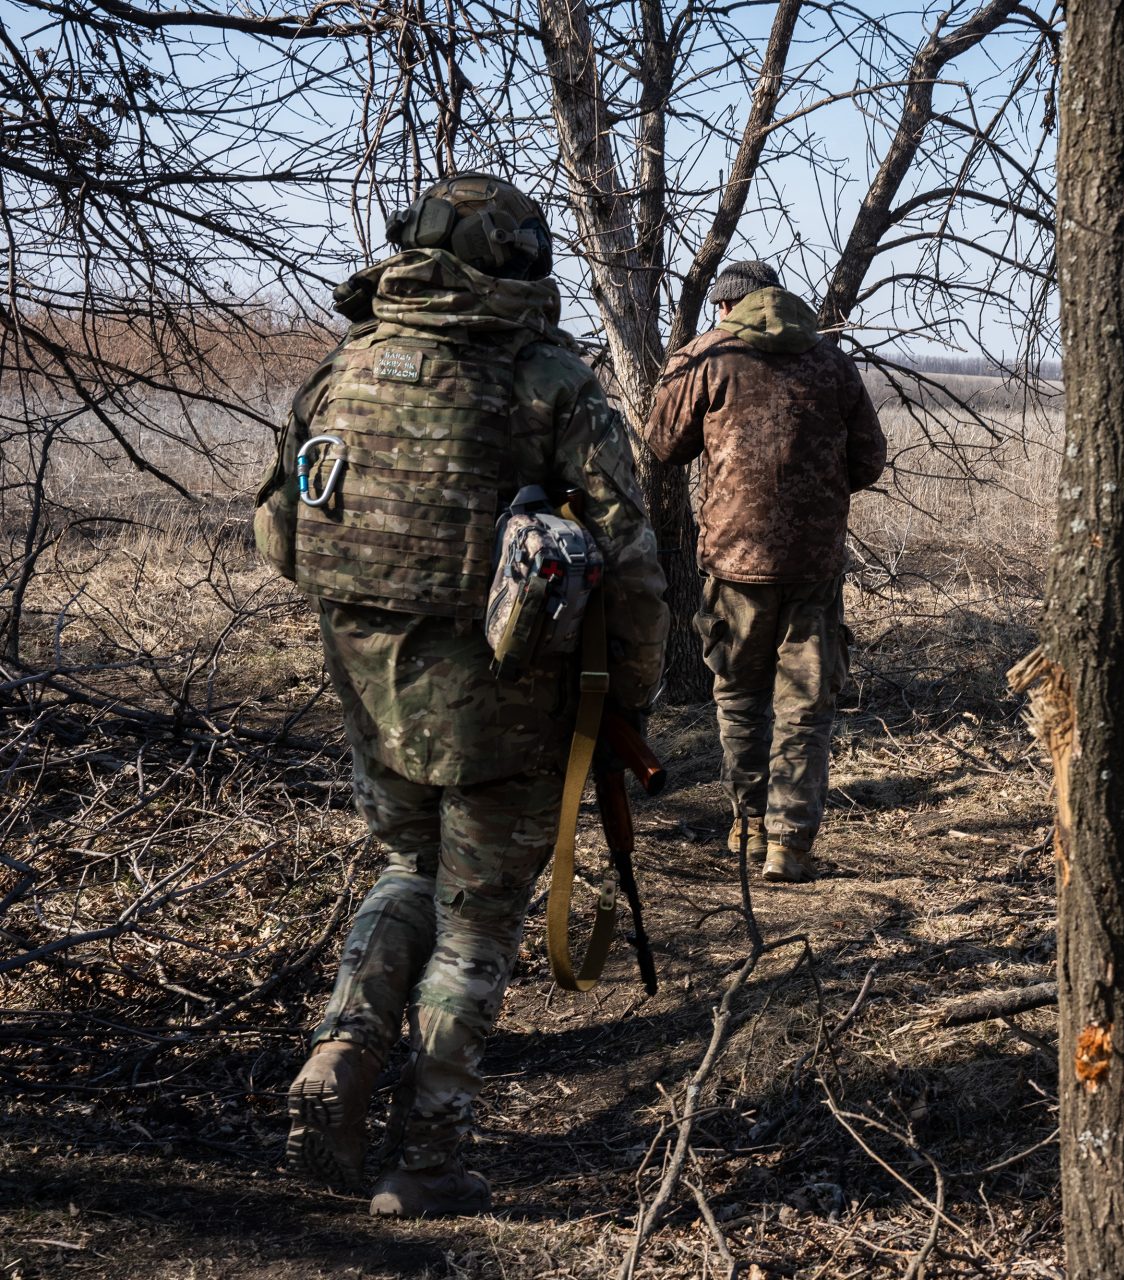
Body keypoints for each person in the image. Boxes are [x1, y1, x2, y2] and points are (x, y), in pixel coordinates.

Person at [253, 173, 670, 1217]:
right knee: (477, 916)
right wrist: (635, 695)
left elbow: (279, 534)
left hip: (371, 686)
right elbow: (636, 560)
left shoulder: (341, 369)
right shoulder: (547, 379)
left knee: (404, 867)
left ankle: (341, 1052)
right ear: (515, 261)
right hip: (507, 699)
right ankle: (428, 1154)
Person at [644, 259, 886, 883]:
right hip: (814, 565)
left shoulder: (708, 358)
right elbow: (868, 462)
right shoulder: (832, 362)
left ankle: (747, 826)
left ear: (725, 307)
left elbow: (663, 446)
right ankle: (790, 844)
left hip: (733, 560)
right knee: (805, 704)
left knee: (739, 696)